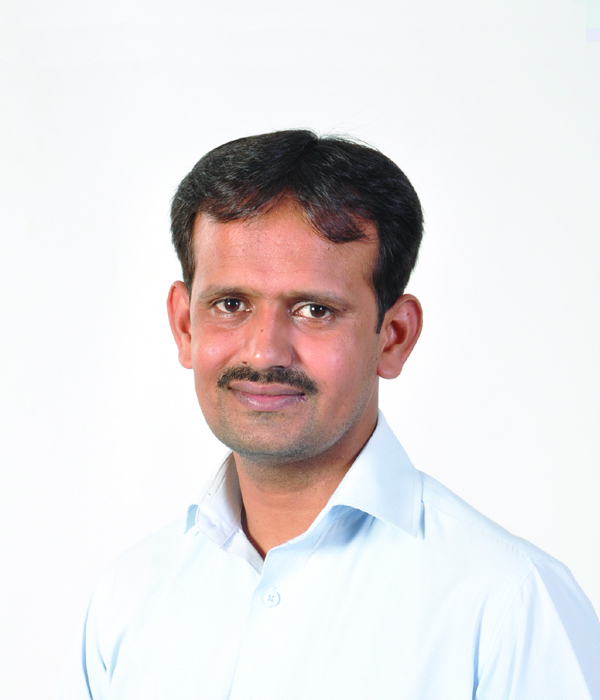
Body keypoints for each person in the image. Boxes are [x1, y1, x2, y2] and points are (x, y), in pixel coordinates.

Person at [59, 130, 600, 700]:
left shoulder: (511, 606)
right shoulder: (127, 600)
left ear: (394, 336)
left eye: (315, 310)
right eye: (230, 304)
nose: (264, 353)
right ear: (185, 325)